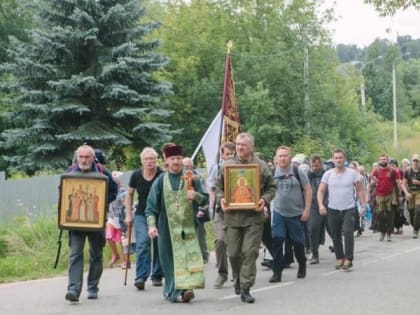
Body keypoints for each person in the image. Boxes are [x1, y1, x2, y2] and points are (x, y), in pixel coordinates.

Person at [215, 132, 276, 303]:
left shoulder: (261, 166)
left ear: (251, 147)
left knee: (249, 252)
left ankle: (246, 287)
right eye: (238, 144)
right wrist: (222, 198)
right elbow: (218, 187)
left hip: (253, 218)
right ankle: (238, 277)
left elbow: (272, 187)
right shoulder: (227, 166)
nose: (240, 147)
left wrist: (264, 199)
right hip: (232, 217)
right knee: (234, 254)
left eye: (243, 145)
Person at [146, 144, 208, 303]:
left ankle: (186, 289)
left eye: (178, 158)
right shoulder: (160, 181)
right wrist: (152, 226)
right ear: (166, 161)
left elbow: (205, 199)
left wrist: (196, 196)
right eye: (172, 158)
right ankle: (173, 290)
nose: (176, 161)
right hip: (166, 227)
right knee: (169, 259)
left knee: (186, 257)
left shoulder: (191, 177)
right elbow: (151, 207)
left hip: (188, 226)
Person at [65, 144, 118, 302]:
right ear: (77, 157)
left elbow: (114, 191)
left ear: (93, 157)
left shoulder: (103, 172)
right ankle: (73, 290)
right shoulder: (70, 172)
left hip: (96, 221)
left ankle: (93, 287)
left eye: (87, 157)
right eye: (81, 156)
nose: (84, 160)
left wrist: (102, 202)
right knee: (75, 254)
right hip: (76, 223)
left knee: (96, 254)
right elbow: (63, 193)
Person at [317, 149, 365, 271]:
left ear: (344, 159)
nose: (338, 160)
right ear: (333, 160)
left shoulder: (352, 174)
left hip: (349, 207)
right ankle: (339, 257)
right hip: (333, 208)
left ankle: (348, 259)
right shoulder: (328, 174)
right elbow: (321, 191)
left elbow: (359, 189)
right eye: (336, 158)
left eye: (340, 158)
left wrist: (363, 205)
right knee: (335, 234)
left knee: (348, 232)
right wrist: (321, 205)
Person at [269, 146, 311, 283]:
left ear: (290, 157)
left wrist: (307, 210)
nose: (282, 158)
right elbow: (265, 191)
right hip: (278, 212)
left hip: (296, 213)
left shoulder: (297, 171)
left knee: (297, 242)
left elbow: (308, 190)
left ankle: (302, 264)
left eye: (285, 156)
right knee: (277, 241)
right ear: (276, 158)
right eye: (280, 156)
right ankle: (277, 271)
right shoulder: (273, 172)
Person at [125, 147, 163, 290]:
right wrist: (128, 215)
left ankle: (157, 274)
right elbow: (129, 195)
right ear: (142, 161)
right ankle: (141, 276)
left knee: (159, 244)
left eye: (152, 159)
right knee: (142, 243)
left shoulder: (161, 175)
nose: (149, 161)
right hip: (141, 214)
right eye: (146, 159)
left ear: (156, 160)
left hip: (159, 213)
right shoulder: (136, 175)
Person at [206, 141, 235, 288]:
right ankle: (222, 274)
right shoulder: (216, 168)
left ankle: (237, 274)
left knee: (236, 245)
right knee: (219, 241)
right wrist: (213, 198)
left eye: (232, 153)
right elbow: (210, 185)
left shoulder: (239, 166)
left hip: (236, 211)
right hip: (220, 211)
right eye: (226, 154)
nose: (229, 156)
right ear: (221, 154)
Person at [182, 157, 210, 264]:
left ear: (193, 166)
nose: (187, 168)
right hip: (185, 211)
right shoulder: (181, 178)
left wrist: (201, 209)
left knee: (200, 234)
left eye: (189, 166)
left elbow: (204, 194)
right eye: (185, 166)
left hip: (198, 209)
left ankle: (204, 256)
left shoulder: (198, 178)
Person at [370, 154, 402, 242]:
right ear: (379, 161)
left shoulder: (393, 171)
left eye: (384, 159)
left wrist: (399, 196)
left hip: (390, 195)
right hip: (379, 195)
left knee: (390, 215)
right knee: (380, 214)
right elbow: (372, 182)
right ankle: (382, 232)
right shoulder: (376, 171)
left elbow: (398, 183)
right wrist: (373, 182)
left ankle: (389, 234)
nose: (383, 161)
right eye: (381, 159)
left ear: (387, 160)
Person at [308, 154, 331, 265]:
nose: (315, 168)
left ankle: (339, 249)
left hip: (328, 205)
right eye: (313, 166)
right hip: (313, 206)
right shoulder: (308, 175)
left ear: (321, 164)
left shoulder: (327, 174)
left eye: (317, 165)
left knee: (332, 229)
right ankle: (315, 254)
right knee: (313, 229)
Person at [402, 154, 420, 238]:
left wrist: (418, 183)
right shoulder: (408, 171)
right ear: (412, 161)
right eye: (414, 160)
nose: (415, 162)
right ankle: (415, 226)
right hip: (410, 193)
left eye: (417, 160)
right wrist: (406, 193)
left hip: (419, 193)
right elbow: (403, 184)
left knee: (417, 209)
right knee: (411, 211)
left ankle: (415, 230)